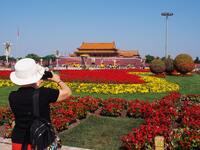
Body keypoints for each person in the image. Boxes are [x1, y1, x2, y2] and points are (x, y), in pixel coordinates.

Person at [9, 58, 72, 150]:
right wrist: (57, 80)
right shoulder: (44, 93)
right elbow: (67, 92)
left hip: (19, 141)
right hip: (41, 140)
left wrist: (35, 85)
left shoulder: (12, 96)